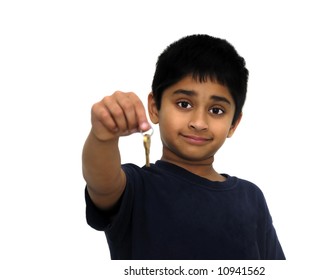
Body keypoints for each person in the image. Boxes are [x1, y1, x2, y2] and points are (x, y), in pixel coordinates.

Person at [82, 34, 285, 260]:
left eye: (216, 110)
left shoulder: (251, 198)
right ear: (155, 107)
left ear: (233, 124)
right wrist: (103, 137)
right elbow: (101, 182)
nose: (198, 122)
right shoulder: (135, 188)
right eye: (184, 104)